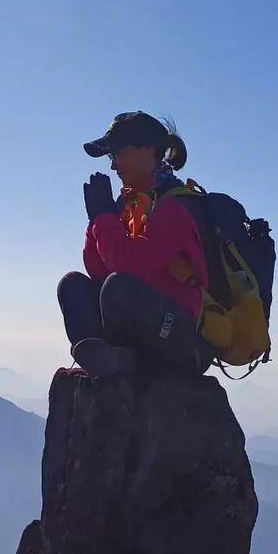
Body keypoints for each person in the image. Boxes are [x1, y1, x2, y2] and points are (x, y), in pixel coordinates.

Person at [58, 110, 214, 378]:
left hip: (181, 339)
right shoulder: (130, 207)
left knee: (119, 287)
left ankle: (124, 362)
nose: (113, 165)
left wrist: (104, 217)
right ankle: (103, 358)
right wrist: (98, 218)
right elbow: (97, 269)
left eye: (116, 153)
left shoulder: (174, 208)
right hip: (145, 327)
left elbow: (128, 268)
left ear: (147, 149)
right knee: (73, 284)